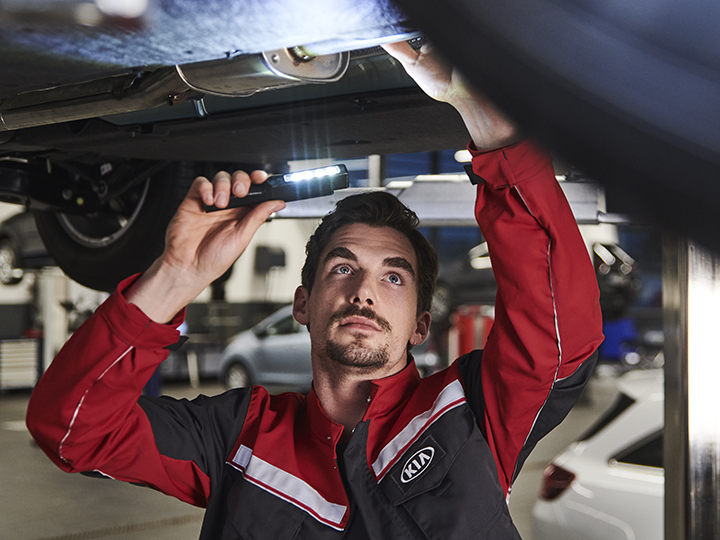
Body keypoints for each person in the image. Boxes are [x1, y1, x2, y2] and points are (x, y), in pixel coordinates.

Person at [26, 41, 603, 539]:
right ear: (302, 303)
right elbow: (72, 430)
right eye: (342, 268)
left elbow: (560, 336)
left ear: (421, 324)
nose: (365, 292)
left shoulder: (469, 415)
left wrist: (495, 130)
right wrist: (178, 274)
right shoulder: (237, 438)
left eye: (393, 276)